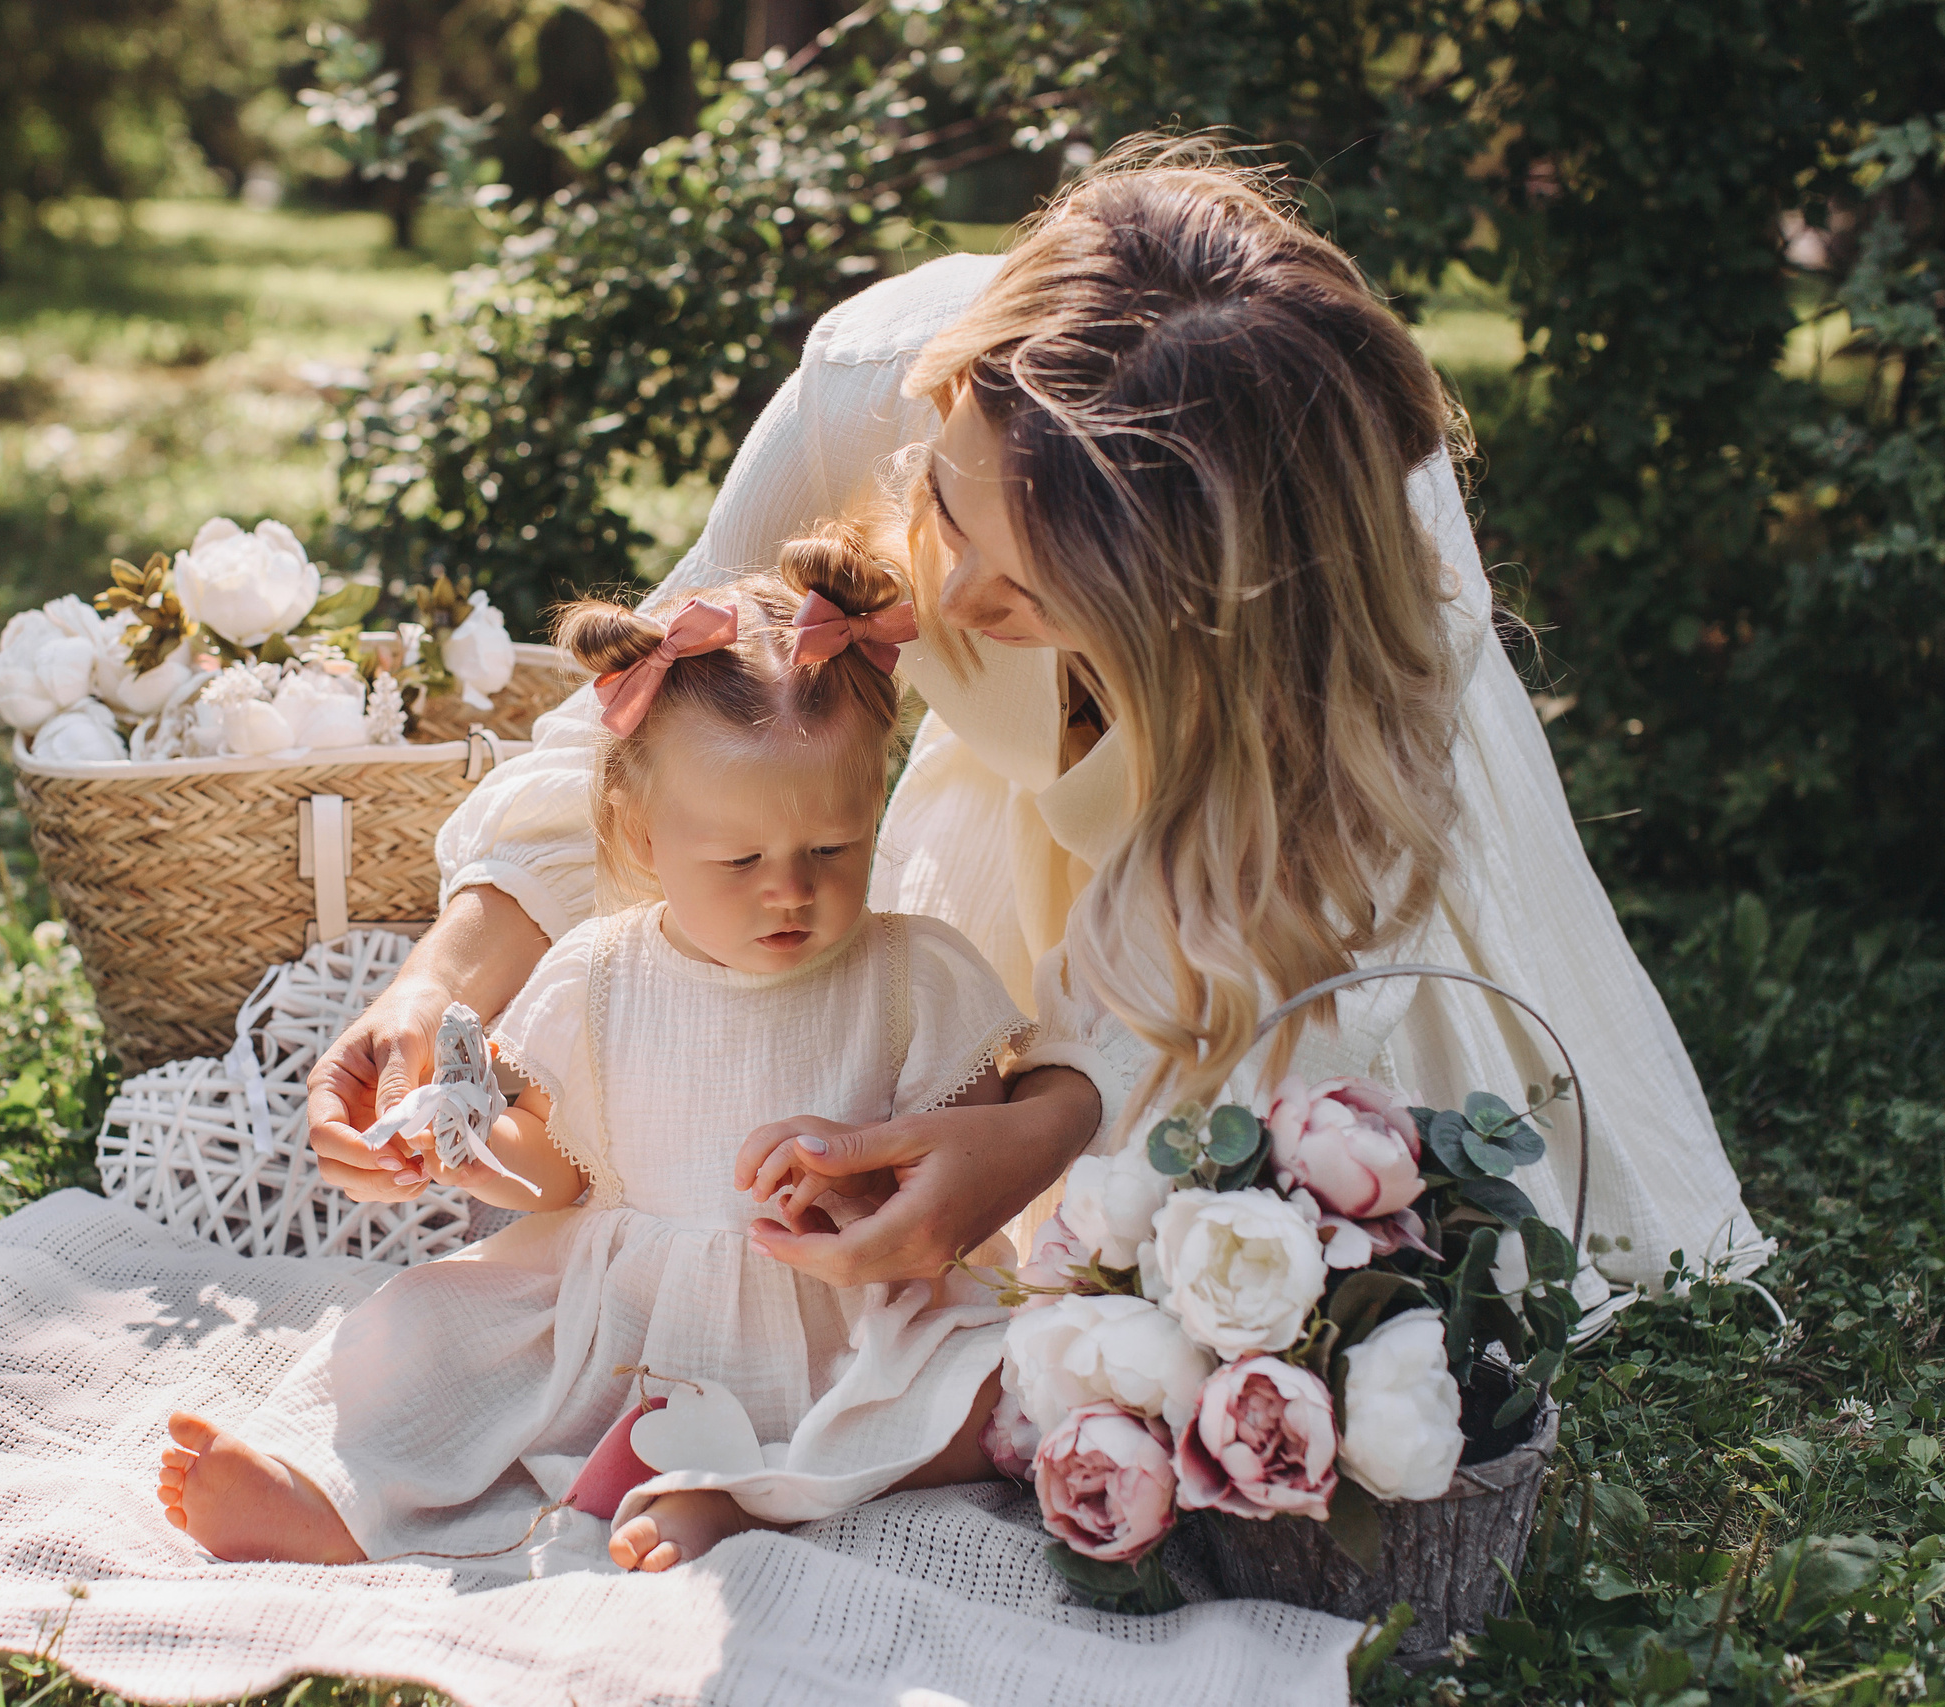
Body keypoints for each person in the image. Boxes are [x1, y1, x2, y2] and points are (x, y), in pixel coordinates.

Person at [308, 142, 1766, 1296]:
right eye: (949, 508)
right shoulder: (872, 383)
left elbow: (1261, 883)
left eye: (1044, 591)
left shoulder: (1344, 587)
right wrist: (451, 973)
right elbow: (650, 711)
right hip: (1029, 842)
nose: (957, 596)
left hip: (1255, 885)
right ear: (945, 399)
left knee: (1249, 1241)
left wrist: (1043, 1123)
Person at [156, 535, 1030, 1570]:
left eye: (832, 849)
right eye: (740, 858)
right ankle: (336, 1498)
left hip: (845, 1313)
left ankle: (745, 1496)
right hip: (629, 1317)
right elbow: (559, 1169)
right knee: (418, 1329)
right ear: (639, 832)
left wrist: (870, 1173)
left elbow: (975, 1151)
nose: (789, 889)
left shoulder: (911, 972)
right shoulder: (601, 973)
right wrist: (471, 1150)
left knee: (1013, 1384)